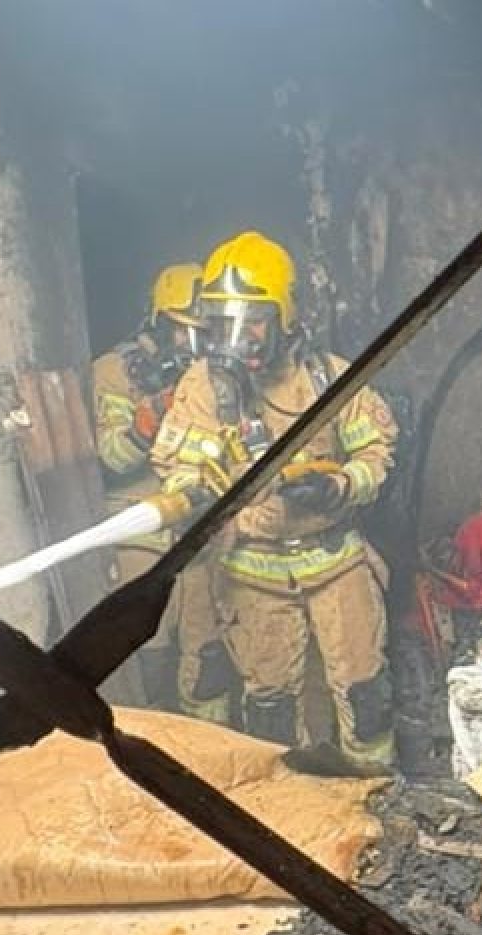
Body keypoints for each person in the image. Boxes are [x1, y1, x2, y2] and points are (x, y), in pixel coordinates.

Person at [151, 231, 399, 776]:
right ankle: (289, 814)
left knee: (365, 696)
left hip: (335, 562)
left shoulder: (330, 378)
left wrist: (339, 485)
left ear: (286, 315)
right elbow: (180, 466)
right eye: (221, 322)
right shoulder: (203, 386)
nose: (236, 338)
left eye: (253, 320)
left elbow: (375, 452)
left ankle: (377, 799)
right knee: (270, 709)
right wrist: (197, 495)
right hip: (251, 571)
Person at [90, 262, 236, 721]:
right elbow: (110, 458)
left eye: (201, 334)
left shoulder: (216, 379)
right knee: (148, 651)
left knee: (208, 658)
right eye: (182, 332)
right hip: (141, 530)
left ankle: (210, 756)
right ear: (158, 321)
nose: (191, 347)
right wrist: (148, 420)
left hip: (198, 532)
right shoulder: (115, 372)